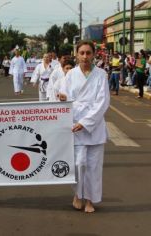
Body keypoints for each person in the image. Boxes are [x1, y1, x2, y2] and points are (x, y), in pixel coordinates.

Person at [59, 40, 110, 213]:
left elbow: (102, 102)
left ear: (94, 54)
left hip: (93, 126)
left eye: (88, 53)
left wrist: (85, 122)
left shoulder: (101, 74)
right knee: (78, 164)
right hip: (74, 123)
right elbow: (63, 96)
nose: (85, 56)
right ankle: (77, 194)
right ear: (77, 54)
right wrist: (62, 99)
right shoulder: (71, 74)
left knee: (94, 166)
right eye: (82, 53)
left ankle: (90, 200)